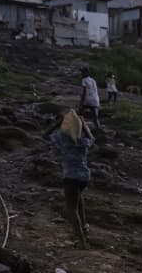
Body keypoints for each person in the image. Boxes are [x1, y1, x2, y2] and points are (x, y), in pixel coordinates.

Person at [44, 106, 95, 249]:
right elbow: (92, 138)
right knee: (79, 202)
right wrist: (84, 124)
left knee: (71, 209)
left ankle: (82, 242)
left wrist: (57, 123)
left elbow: (44, 135)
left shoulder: (63, 139)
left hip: (71, 177)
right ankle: (84, 229)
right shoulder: (83, 142)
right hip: (84, 177)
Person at [79, 67, 102, 138]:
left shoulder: (84, 80)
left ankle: (80, 130)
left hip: (88, 100)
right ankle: (99, 131)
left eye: (82, 72)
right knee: (95, 118)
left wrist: (81, 103)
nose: (81, 73)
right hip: (95, 100)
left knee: (79, 115)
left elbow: (84, 92)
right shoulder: (93, 80)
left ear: (86, 72)